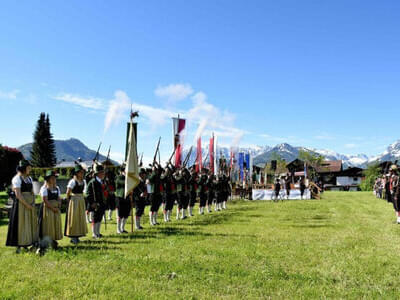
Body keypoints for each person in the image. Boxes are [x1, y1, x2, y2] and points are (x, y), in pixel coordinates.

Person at [6, 159, 39, 253]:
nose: (30, 169)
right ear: (24, 169)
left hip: (30, 204)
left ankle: (27, 242)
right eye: (29, 168)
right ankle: (19, 246)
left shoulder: (29, 178)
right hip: (21, 205)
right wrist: (27, 205)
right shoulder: (16, 179)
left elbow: (32, 191)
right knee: (21, 224)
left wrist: (32, 202)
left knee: (29, 224)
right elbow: (18, 194)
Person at [38, 170, 63, 250]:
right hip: (48, 209)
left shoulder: (57, 188)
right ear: (48, 179)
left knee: (55, 225)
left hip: (56, 209)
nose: (54, 179)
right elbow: (45, 200)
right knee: (48, 225)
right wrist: (52, 208)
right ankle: (47, 242)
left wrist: (59, 205)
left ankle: (54, 241)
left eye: (54, 178)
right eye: (52, 178)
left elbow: (59, 198)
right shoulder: (44, 188)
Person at [65, 164, 88, 244]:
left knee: (79, 217)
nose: (82, 173)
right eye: (80, 172)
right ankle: (73, 236)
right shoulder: (72, 181)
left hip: (80, 200)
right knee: (74, 218)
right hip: (74, 201)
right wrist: (70, 200)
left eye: (82, 172)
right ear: (76, 173)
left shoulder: (83, 181)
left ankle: (77, 236)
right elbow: (68, 192)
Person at [86, 164, 107, 239]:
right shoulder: (92, 182)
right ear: (98, 173)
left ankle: (98, 232)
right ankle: (94, 234)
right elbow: (88, 194)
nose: (103, 174)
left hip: (101, 202)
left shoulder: (101, 182)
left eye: (103, 172)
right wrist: (92, 203)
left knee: (99, 218)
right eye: (102, 172)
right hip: (95, 203)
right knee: (95, 218)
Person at [114, 165, 131, 234]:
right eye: (124, 171)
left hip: (127, 197)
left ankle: (122, 228)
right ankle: (118, 229)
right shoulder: (118, 178)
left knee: (126, 214)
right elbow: (124, 183)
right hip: (120, 198)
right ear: (121, 171)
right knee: (120, 215)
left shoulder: (127, 178)